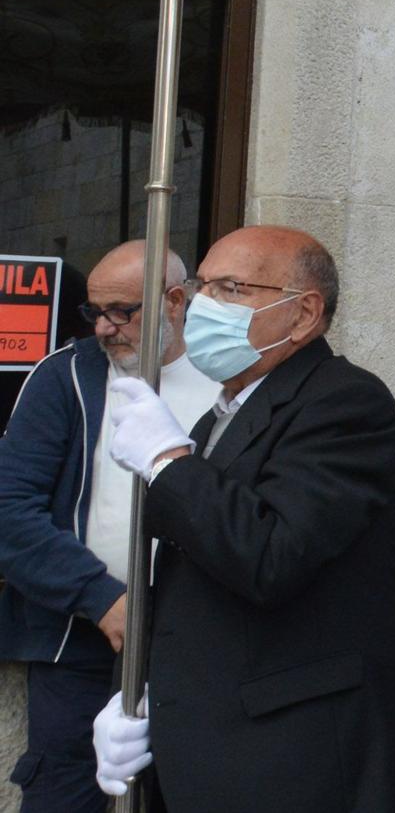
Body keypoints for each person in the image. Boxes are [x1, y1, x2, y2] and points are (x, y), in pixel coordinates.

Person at [90, 226, 395, 811]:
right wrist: (133, 690)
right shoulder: (220, 417)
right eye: (201, 288)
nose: (203, 307)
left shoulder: (347, 403)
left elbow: (269, 556)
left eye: (232, 288)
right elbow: (182, 579)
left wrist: (169, 463)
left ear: (303, 313)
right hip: (205, 745)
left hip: (293, 759)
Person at [0, 242, 214, 813]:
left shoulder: (230, 380)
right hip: (82, 640)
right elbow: (10, 512)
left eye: (122, 310)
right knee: (66, 793)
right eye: (94, 311)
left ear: (175, 300)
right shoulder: (65, 376)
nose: (103, 327)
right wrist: (104, 600)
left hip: (199, 639)